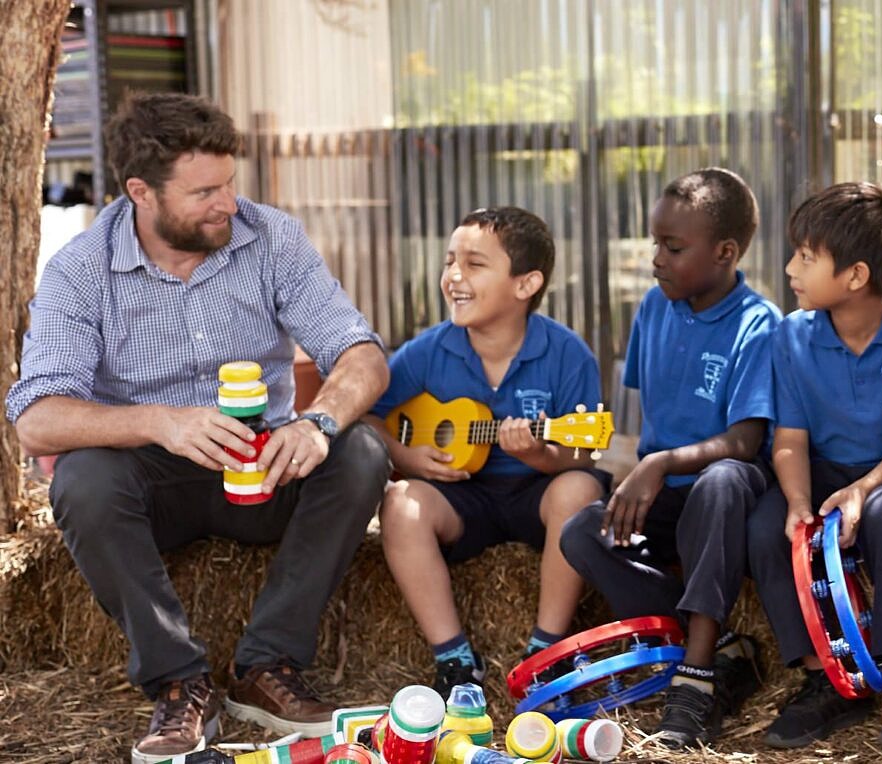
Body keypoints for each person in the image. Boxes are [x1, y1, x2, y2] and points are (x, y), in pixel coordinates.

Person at [6, 92, 390, 762]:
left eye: (230, 184)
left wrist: (318, 424)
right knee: (84, 479)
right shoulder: (79, 271)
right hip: (153, 487)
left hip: (263, 468)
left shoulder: (273, 236)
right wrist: (161, 421)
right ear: (140, 193)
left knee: (359, 451)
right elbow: (37, 422)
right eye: (204, 191)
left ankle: (266, 666)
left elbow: (360, 353)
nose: (227, 204)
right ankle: (180, 684)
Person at [747, 177, 882, 754]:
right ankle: (826, 679)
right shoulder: (790, 336)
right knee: (769, 523)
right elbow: (790, 440)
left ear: (856, 276)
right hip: (822, 471)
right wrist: (798, 503)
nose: (791, 267)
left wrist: (866, 488)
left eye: (806, 256)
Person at [559, 168, 779, 749]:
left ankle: (696, 674)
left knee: (723, 480)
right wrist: (638, 469)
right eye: (655, 242)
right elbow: (651, 423)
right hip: (666, 496)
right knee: (580, 533)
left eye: (672, 247)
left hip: (721, 492)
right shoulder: (655, 310)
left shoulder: (759, 325)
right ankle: (722, 648)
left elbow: (746, 440)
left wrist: (656, 465)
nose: (655, 258)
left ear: (726, 252)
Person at [369, 206, 610, 695]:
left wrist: (539, 455)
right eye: (449, 261)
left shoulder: (566, 354)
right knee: (400, 503)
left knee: (580, 489)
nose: (454, 276)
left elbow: (584, 454)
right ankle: (454, 659)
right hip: (463, 499)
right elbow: (373, 417)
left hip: (536, 492)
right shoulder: (426, 352)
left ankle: (546, 650)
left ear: (525, 285)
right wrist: (406, 457)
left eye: (475, 264)